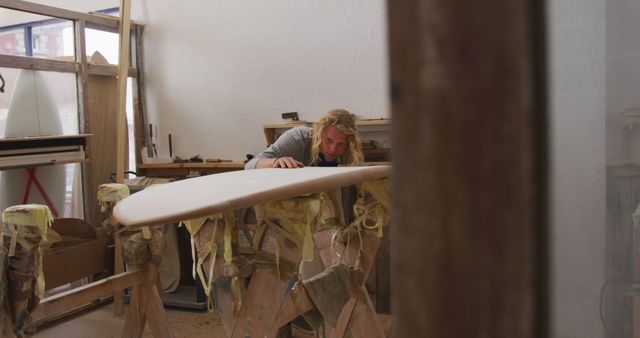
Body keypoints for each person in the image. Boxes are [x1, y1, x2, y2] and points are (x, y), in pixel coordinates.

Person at [245, 108, 364, 170]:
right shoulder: (297, 138)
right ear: (320, 132)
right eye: (329, 140)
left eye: (340, 144)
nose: (333, 149)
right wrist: (275, 162)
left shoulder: (351, 150)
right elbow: (250, 165)